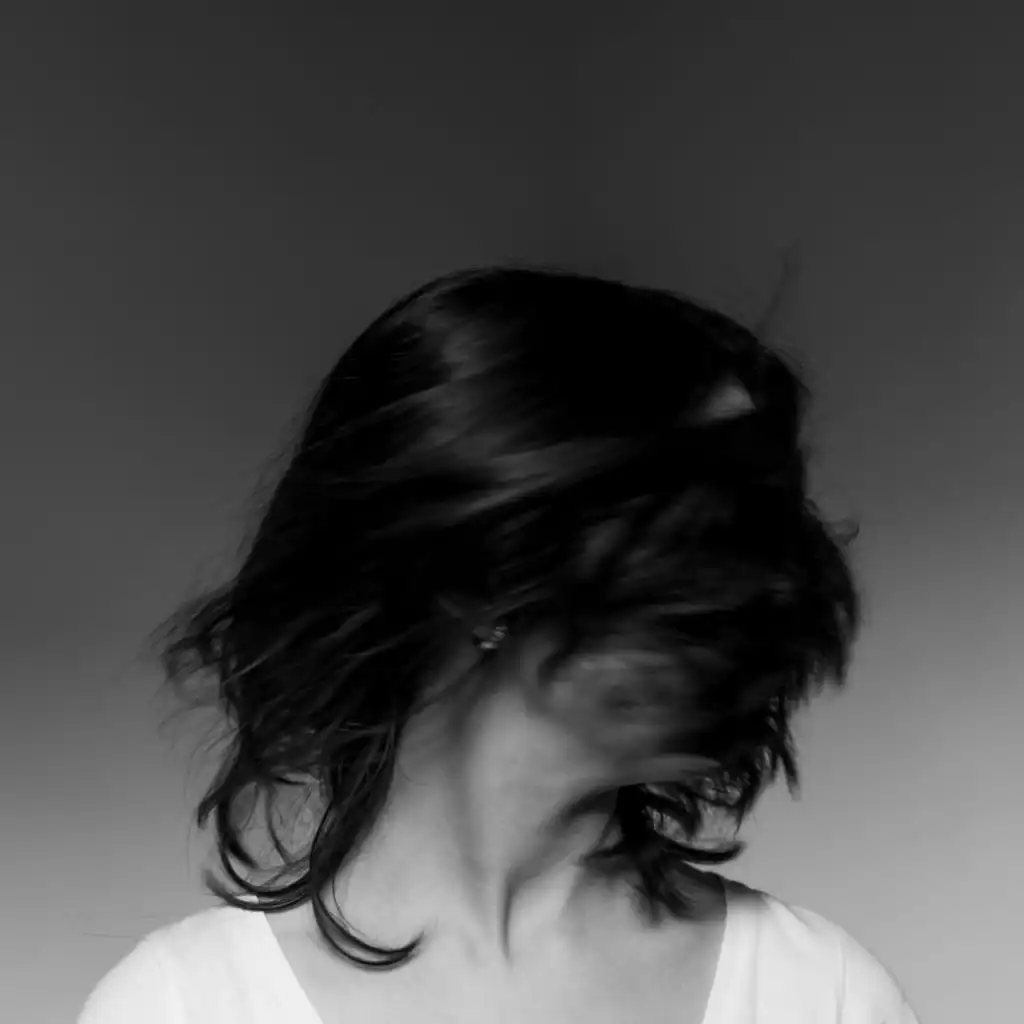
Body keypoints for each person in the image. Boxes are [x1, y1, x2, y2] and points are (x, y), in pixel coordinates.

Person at [78, 263, 921, 1022]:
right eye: (701, 527)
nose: (772, 587)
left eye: (769, 528)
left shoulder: (822, 993)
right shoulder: (179, 1007)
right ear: (481, 568)